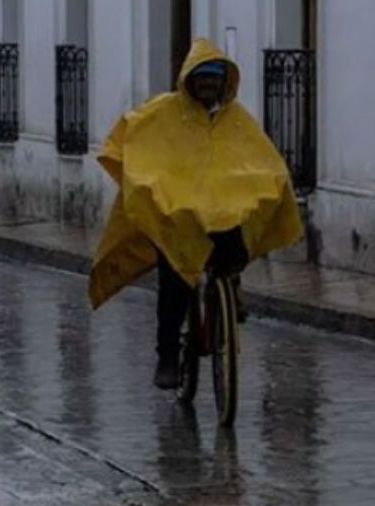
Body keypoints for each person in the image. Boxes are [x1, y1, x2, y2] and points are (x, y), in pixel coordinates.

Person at [88, 39, 303, 389]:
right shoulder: (161, 113)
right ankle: (168, 356)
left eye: (214, 79)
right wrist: (154, 191)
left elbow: (261, 161)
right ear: (188, 80)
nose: (207, 85)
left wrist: (271, 184)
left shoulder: (236, 120)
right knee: (174, 282)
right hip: (176, 220)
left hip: (222, 216)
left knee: (234, 250)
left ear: (224, 82)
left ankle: (230, 290)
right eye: (201, 78)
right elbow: (135, 146)